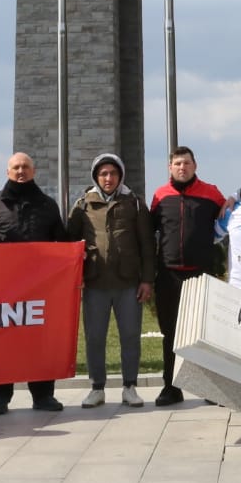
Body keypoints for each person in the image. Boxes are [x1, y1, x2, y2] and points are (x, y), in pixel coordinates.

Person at [0, 152, 72, 412]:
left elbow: (62, 245)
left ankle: (43, 395)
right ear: (8, 171)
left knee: (39, 342)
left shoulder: (47, 205)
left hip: (39, 289)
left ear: (34, 171)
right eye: (16, 167)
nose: (21, 171)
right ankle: (0, 396)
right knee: (2, 342)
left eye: (25, 167)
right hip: (2, 289)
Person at [66, 153, 155, 409]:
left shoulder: (135, 204)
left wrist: (147, 280)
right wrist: (74, 277)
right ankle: (97, 388)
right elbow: (70, 243)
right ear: (96, 177)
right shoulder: (83, 204)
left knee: (130, 336)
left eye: (112, 173)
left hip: (128, 283)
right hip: (95, 283)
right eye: (103, 174)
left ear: (120, 176)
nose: (108, 178)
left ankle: (130, 386)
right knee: (95, 337)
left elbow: (147, 246)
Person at [150, 146, 226, 407]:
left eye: (187, 163)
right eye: (177, 163)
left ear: (195, 166)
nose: (182, 167)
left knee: (203, 333)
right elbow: (152, 231)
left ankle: (211, 389)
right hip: (168, 275)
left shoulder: (212, 194)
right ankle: (171, 387)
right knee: (170, 333)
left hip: (200, 273)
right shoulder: (160, 196)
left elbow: (228, 220)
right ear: (170, 168)